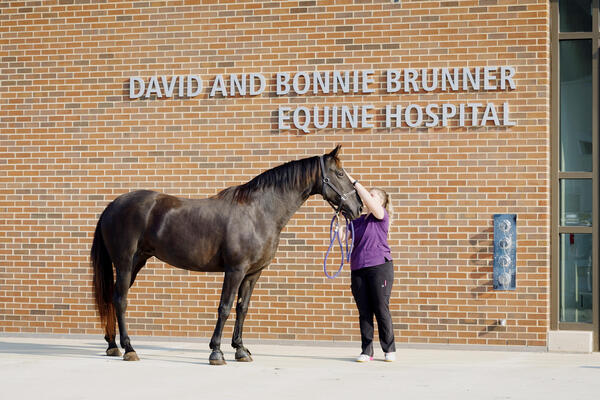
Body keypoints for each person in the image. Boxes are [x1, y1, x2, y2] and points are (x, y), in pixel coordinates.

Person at [342, 171, 396, 363]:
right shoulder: (357, 222)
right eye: (369, 194)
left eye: (373, 195)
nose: (369, 197)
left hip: (379, 267)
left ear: (380, 201)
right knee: (364, 311)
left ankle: (389, 349)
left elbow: (369, 202)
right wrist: (339, 228)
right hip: (358, 269)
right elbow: (342, 238)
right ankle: (367, 351)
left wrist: (354, 182)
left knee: (381, 309)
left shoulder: (381, 216)